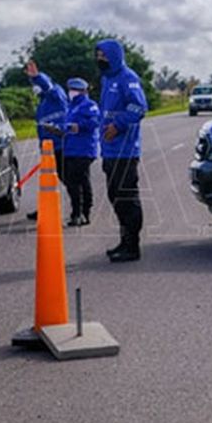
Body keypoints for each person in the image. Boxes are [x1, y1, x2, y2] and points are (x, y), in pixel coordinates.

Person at [95, 39, 148, 261]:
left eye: (103, 55)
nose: (99, 59)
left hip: (125, 150)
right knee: (115, 196)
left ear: (114, 56)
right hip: (109, 150)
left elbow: (139, 108)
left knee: (126, 198)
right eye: (97, 55)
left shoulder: (128, 78)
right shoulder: (107, 79)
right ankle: (124, 241)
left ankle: (132, 246)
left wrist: (118, 126)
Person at [24, 60, 69, 221]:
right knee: (48, 181)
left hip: (60, 144)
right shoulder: (43, 102)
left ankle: (80, 208)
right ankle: (46, 207)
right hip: (47, 146)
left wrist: (37, 77)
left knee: (68, 178)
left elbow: (49, 88)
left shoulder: (56, 94)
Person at [61, 77, 99, 226]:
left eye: (75, 90)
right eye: (71, 89)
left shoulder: (89, 105)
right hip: (70, 149)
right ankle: (76, 212)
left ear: (83, 91)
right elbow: (67, 125)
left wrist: (80, 126)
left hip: (84, 149)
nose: (71, 92)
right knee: (72, 182)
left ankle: (83, 213)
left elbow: (95, 121)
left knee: (80, 181)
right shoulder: (70, 107)